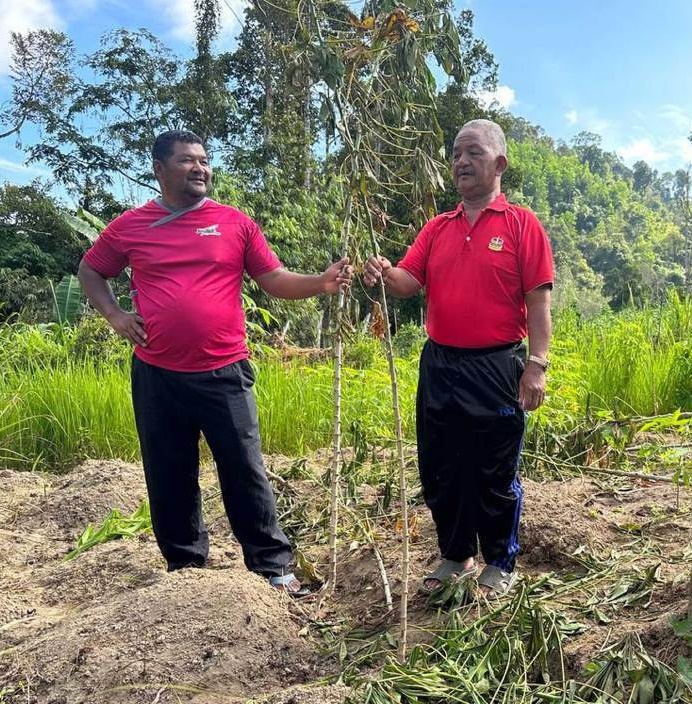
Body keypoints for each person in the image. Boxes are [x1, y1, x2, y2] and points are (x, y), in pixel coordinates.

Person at [78, 130, 352, 596]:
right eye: (187, 161)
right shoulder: (130, 226)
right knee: (168, 471)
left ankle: (273, 567)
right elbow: (91, 269)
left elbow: (275, 279)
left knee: (245, 468)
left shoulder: (234, 223)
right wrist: (115, 315)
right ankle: (185, 568)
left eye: (204, 160)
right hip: (157, 374)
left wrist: (321, 283)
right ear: (160, 169)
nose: (200, 168)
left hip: (224, 372)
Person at [364, 119, 553, 597]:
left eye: (473, 153)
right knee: (441, 464)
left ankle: (499, 560)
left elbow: (538, 302)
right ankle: (455, 554)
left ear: (500, 163)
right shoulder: (438, 228)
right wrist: (386, 272)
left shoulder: (521, 225)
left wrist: (537, 364)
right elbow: (410, 280)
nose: (461, 162)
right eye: (455, 155)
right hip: (441, 365)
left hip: (497, 366)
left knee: (493, 466)